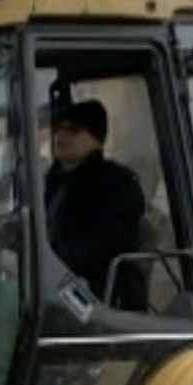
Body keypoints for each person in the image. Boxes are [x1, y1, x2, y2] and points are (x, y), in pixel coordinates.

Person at [44, 99, 149, 312]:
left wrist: (52, 263)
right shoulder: (52, 182)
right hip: (54, 286)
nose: (61, 136)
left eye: (73, 130)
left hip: (102, 298)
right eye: (59, 129)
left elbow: (106, 242)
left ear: (97, 139)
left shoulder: (117, 184)